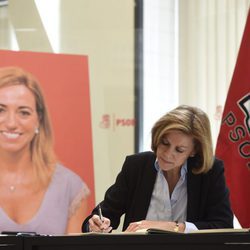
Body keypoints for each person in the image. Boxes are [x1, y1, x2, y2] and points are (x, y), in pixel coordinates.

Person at [82, 105, 233, 233]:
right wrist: (95, 224)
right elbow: (104, 214)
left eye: (179, 150)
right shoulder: (136, 166)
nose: (167, 154)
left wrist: (173, 227)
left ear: (194, 151)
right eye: (164, 143)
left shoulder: (210, 172)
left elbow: (223, 225)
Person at [0, 66, 90, 235]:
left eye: (24, 112)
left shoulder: (70, 186)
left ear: (38, 120)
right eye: (0, 110)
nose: (11, 123)